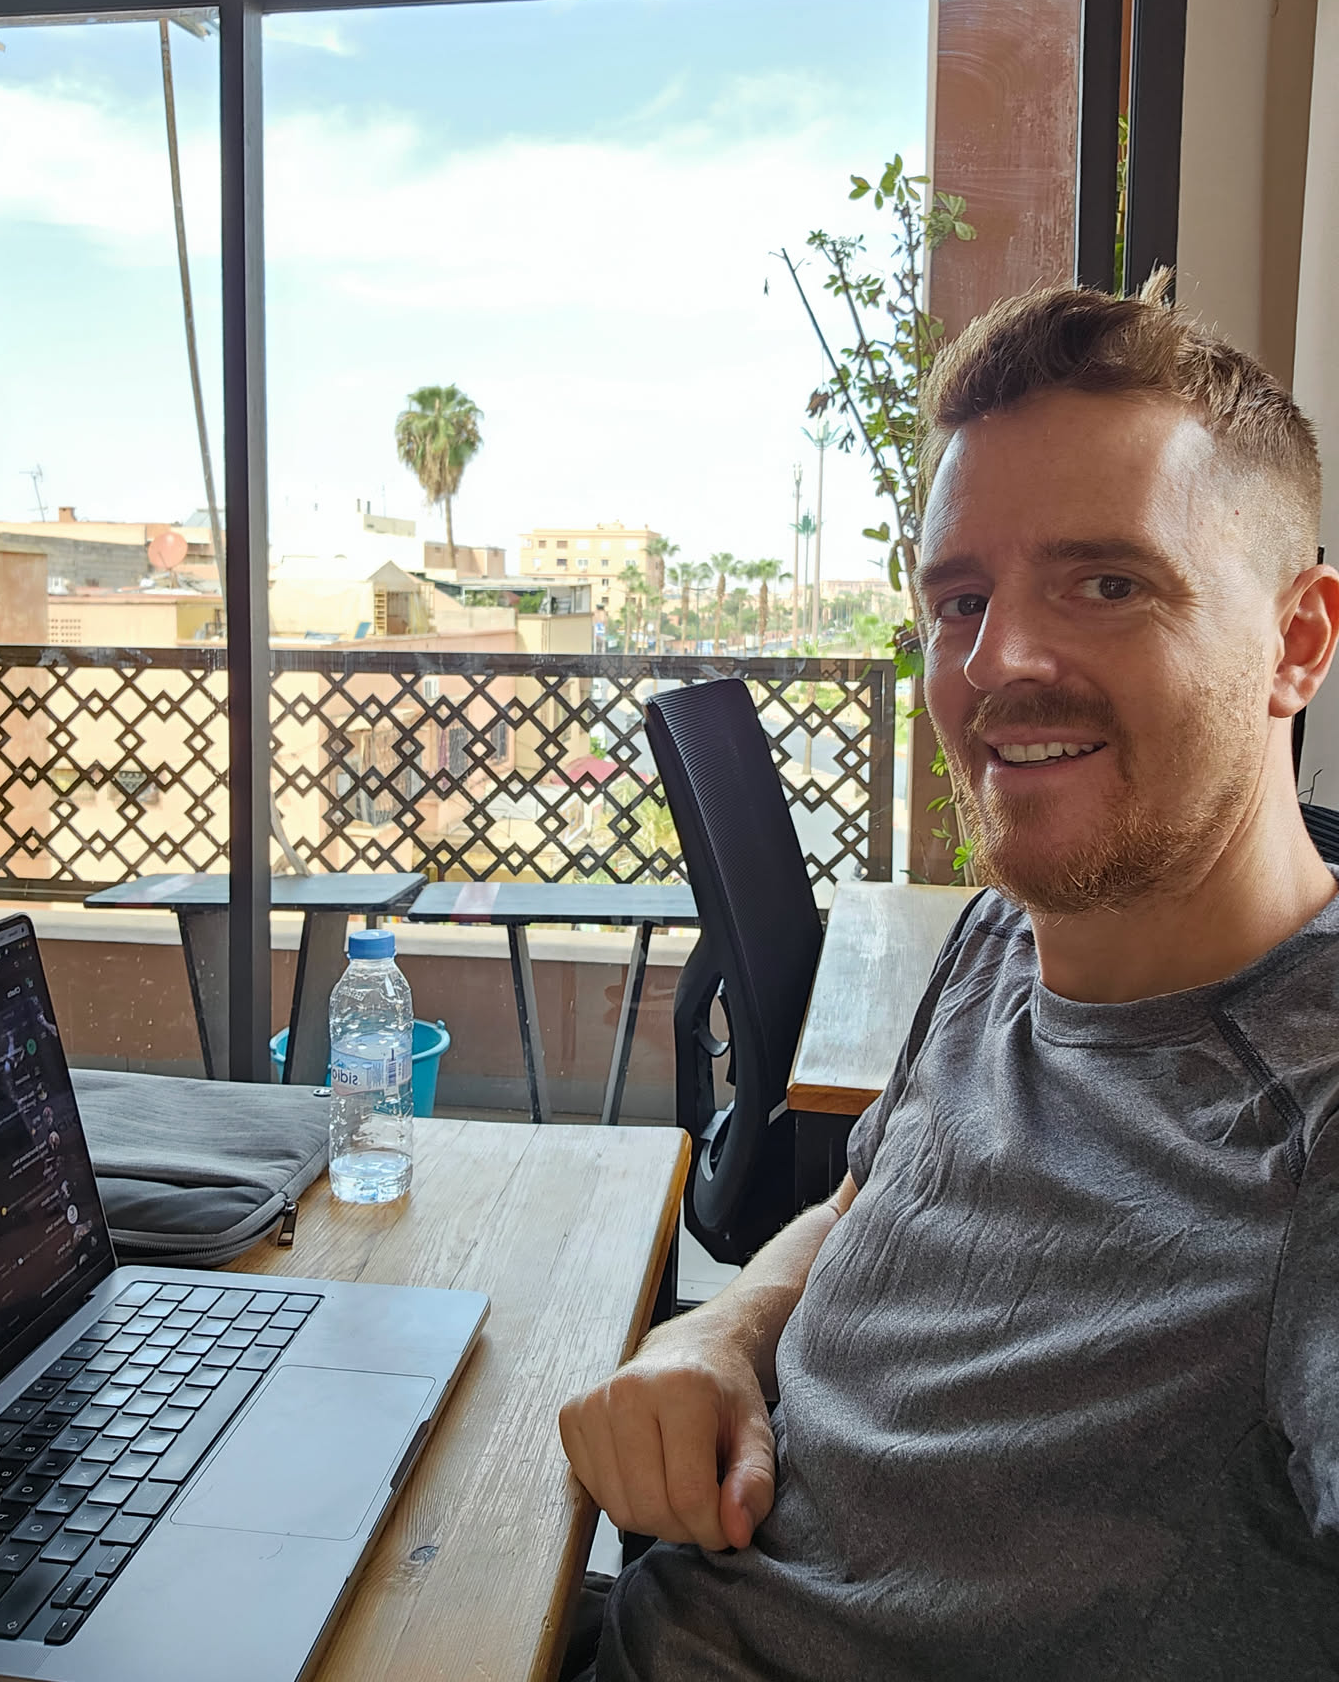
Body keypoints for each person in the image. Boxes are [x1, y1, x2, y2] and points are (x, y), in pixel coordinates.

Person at [559, 275, 1339, 1681]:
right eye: (960, 600)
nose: (999, 663)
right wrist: (724, 1330)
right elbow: (865, 1199)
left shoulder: (1308, 1129)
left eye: (1109, 584)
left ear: (1297, 642)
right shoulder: (1003, 936)